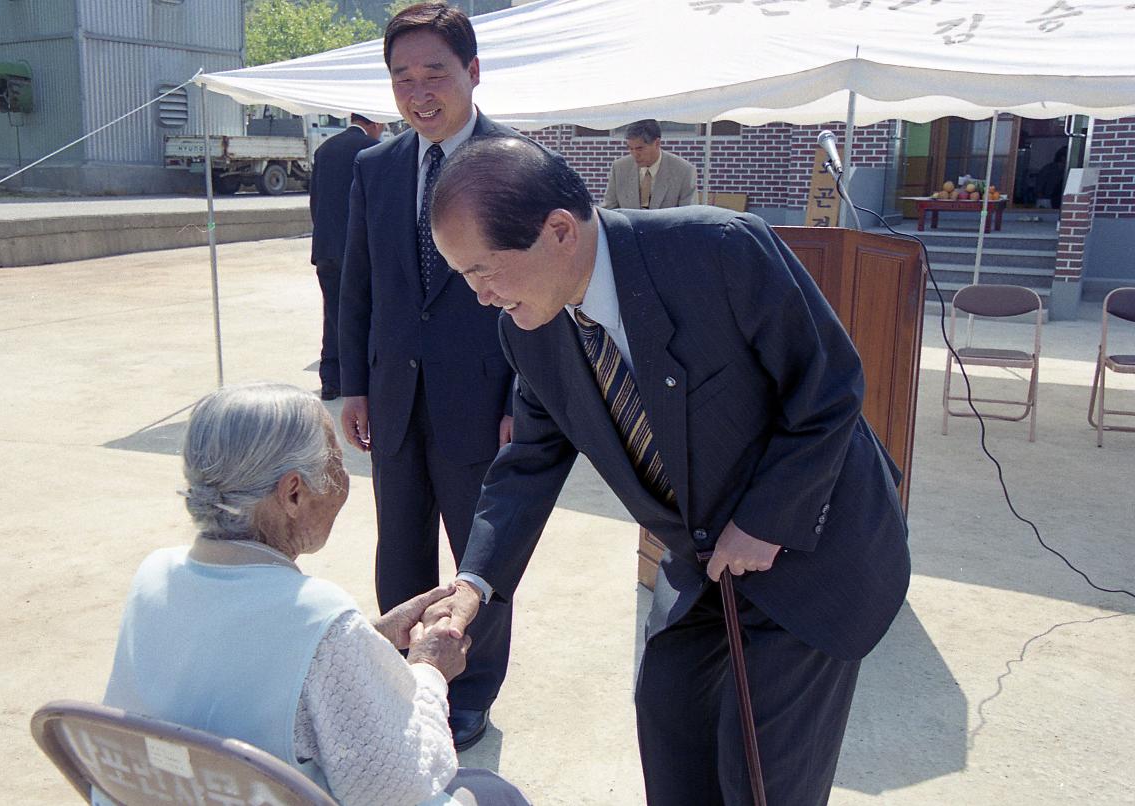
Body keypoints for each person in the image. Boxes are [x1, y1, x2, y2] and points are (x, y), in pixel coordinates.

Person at [424, 137, 911, 806]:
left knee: (762, 776)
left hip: (809, 540)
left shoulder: (720, 251)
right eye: (464, 278)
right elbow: (529, 463)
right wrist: (475, 582)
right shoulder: (528, 329)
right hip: (700, 557)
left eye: (483, 270)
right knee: (668, 722)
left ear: (558, 231)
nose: (479, 296)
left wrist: (766, 520)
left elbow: (829, 390)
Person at [100, 383, 530, 806]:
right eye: (336, 466)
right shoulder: (321, 618)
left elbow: (253, 655)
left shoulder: (154, 573)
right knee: (494, 793)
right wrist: (429, 669)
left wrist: (367, 639)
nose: (343, 483)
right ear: (292, 492)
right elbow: (404, 786)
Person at [337, 2, 518, 750]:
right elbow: (357, 284)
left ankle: (470, 690)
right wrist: (350, 383)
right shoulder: (375, 167)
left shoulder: (516, 163)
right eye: (401, 76)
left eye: (434, 72)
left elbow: (548, 299)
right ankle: (408, 674)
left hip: (484, 400)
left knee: (481, 560)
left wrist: (525, 402)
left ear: (471, 73)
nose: (418, 91)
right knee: (400, 548)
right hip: (393, 394)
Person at [309, 113, 386, 400]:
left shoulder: (324, 149)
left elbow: (315, 200)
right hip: (359, 251)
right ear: (375, 124)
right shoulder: (372, 151)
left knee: (332, 313)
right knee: (361, 314)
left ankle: (331, 379)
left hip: (326, 248)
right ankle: (359, 378)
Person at [601, 119, 697, 210]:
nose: (634, 154)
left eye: (640, 149)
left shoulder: (684, 171)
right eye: (630, 148)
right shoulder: (619, 168)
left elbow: (689, 218)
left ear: (657, 143)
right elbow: (608, 210)